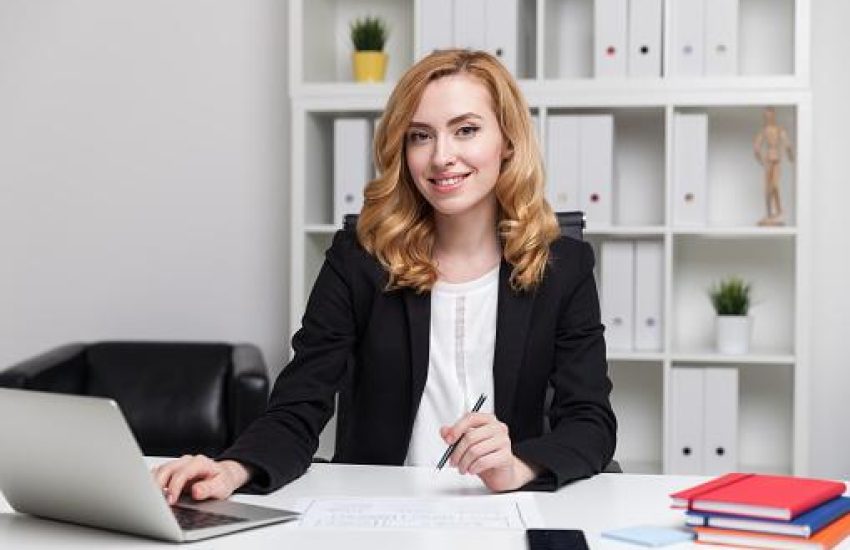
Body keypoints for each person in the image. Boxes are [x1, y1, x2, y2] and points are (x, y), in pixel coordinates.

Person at [153, 49, 616, 502]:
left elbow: (590, 422)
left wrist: (518, 466)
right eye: (420, 136)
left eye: (466, 130)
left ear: (507, 141)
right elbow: (299, 404)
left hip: (500, 508)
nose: (441, 157)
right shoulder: (359, 259)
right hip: (379, 510)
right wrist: (233, 468)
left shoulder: (563, 266)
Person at [753, 106, 794, 226]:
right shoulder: (764, 131)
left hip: (776, 160)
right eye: (766, 116)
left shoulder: (779, 129)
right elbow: (756, 147)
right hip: (768, 160)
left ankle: (779, 210)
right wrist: (760, 160)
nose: (768, 118)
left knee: (774, 185)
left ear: (774, 116)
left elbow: (787, 143)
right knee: (767, 188)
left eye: (770, 115)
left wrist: (790, 155)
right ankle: (769, 213)